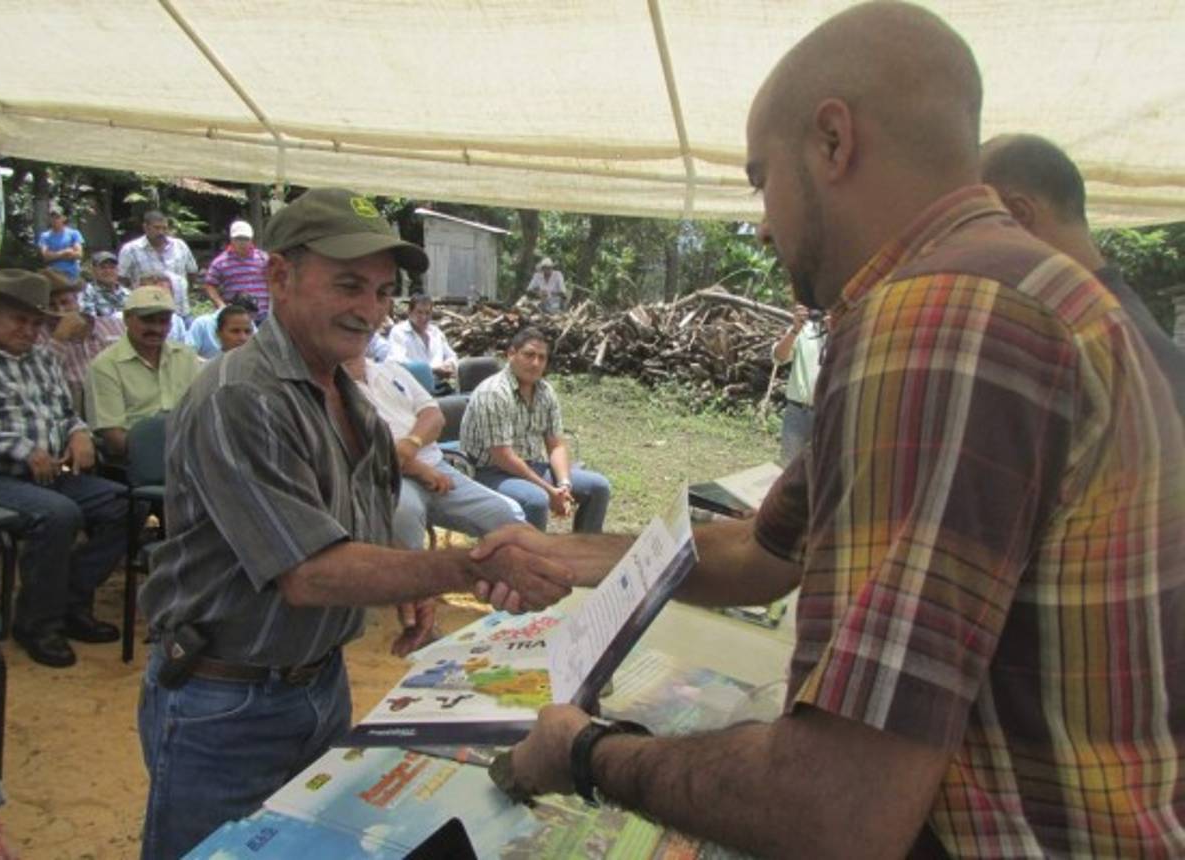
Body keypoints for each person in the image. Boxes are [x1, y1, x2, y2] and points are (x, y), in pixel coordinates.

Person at [473, 4, 1184, 857]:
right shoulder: (1029, 289)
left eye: (760, 178)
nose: (763, 223)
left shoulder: (938, 318)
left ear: (834, 141)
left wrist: (584, 753)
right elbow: (764, 549)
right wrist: (569, 555)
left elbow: (838, 809)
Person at [135, 187, 573, 859]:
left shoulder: (346, 396)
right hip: (224, 704)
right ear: (279, 276)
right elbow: (310, 573)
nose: (369, 309)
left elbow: (358, 525)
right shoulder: (241, 398)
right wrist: (467, 565)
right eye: (347, 284)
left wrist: (406, 583)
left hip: (316, 684)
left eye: (382, 291)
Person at [980, 133, 1185, 418]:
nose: (970, 246)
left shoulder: (1082, 335)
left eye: (976, 222)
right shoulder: (1125, 328)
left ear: (1018, 213)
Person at [0, 270, 126, 668]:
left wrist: (79, 432)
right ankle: (38, 624)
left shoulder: (43, 359)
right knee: (58, 515)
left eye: (36, 323)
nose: (30, 330)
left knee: (122, 505)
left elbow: (65, 412)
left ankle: (70, 602)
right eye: (19, 320)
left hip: (48, 474)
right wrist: (23, 449)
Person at [345, 354, 524, 550]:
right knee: (403, 512)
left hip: (436, 466)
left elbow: (434, 416)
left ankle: (506, 567)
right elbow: (357, 448)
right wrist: (417, 469)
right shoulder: (331, 387)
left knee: (508, 514)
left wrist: (410, 444)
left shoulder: (392, 370)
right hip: (383, 478)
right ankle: (413, 569)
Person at [461, 328, 610, 532]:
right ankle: (532, 552)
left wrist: (564, 485)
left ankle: (584, 548)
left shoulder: (545, 391)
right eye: (529, 355)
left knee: (598, 487)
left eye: (542, 358)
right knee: (536, 499)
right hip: (488, 472)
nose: (535, 363)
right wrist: (548, 490)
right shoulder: (494, 393)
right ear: (511, 354)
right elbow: (502, 456)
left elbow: (556, 444)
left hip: (531, 467)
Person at [86, 286, 201, 459]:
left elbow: (202, 412)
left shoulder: (186, 356)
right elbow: (113, 437)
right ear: (127, 319)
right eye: (148, 320)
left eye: (163, 321)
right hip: (139, 458)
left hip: (191, 451)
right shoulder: (105, 366)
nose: (157, 329)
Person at [41, 270, 126, 414]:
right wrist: (59, 338)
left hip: (120, 400)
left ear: (76, 301)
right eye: (51, 305)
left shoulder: (113, 326)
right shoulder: (39, 337)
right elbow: (42, 376)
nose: (60, 310)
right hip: (73, 409)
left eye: (65, 302)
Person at [770, 303, 826, 465]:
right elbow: (779, 358)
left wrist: (836, 331)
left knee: (822, 471)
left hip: (827, 415)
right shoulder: (803, 330)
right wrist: (795, 330)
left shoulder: (844, 333)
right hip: (797, 412)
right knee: (789, 468)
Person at [117, 210, 198, 319]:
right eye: (157, 228)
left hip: (181, 312)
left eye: (164, 228)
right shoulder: (130, 250)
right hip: (148, 314)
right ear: (145, 227)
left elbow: (192, 272)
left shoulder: (180, 246)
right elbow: (121, 279)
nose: (161, 232)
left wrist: (182, 289)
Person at [386, 292, 457, 390]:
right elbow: (398, 361)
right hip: (412, 387)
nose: (424, 317)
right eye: (419, 312)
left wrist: (449, 364)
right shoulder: (399, 332)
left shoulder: (436, 332)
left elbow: (451, 356)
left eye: (427, 313)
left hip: (440, 385)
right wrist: (431, 370)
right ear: (410, 312)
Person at [202, 220, 271, 321]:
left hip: (263, 314)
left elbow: (275, 281)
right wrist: (221, 305)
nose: (242, 243)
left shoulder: (263, 258)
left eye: (246, 239)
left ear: (251, 240)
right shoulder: (220, 262)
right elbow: (210, 285)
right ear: (231, 240)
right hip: (236, 317)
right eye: (238, 239)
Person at [187, 294, 258, 359]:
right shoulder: (202, 323)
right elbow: (188, 354)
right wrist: (210, 365)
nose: (243, 337)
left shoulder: (251, 326)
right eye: (235, 331)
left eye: (247, 332)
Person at [37, 206, 84, 283]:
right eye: (52, 217)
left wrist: (54, 255)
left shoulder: (74, 234)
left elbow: (79, 254)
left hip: (72, 275)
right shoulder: (45, 236)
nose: (55, 220)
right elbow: (46, 257)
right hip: (53, 276)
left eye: (57, 217)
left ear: (64, 218)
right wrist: (64, 252)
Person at [80, 250, 130, 318]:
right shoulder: (87, 292)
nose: (108, 271)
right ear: (93, 271)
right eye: (103, 268)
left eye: (112, 267)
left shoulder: (127, 293)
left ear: (118, 270)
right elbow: (89, 320)